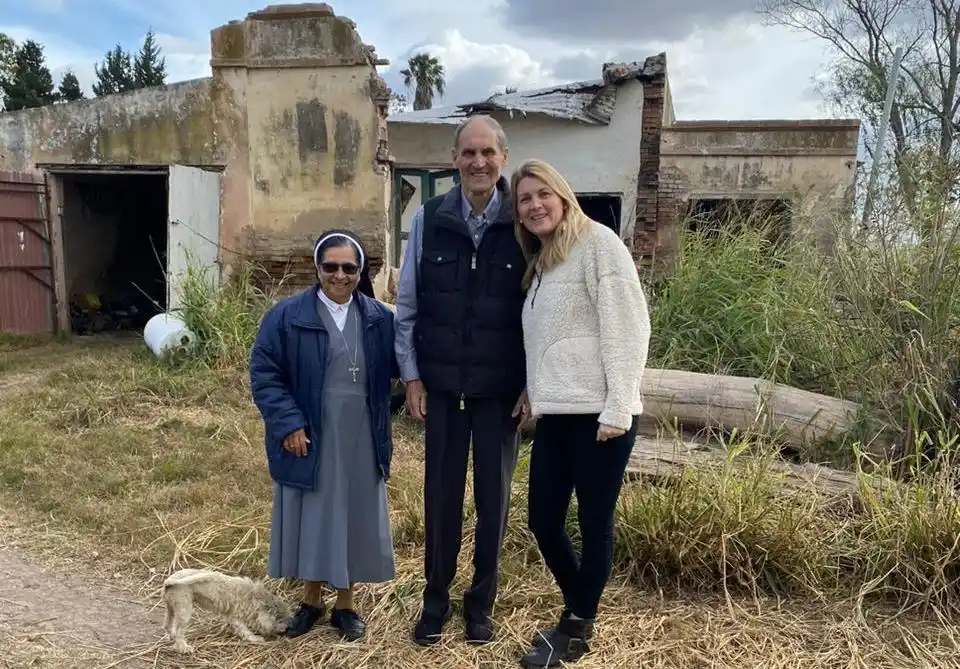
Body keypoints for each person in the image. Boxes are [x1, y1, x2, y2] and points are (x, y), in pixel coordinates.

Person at [394, 114, 530, 645]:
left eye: (488, 153)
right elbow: (407, 307)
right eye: (468, 153)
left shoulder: (522, 221)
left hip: (500, 393)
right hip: (444, 390)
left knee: (494, 502)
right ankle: (435, 601)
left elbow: (540, 310)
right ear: (454, 160)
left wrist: (531, 383)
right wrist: (412, 377)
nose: (478, 163)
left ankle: (481, 605)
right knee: (441, 499)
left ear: (503, 158)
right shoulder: (429, 219)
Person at [511, 159, 651, 668]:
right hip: (558, 413)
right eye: (524, 200)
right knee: (543, 521)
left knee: (594, 521)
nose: (534, 205)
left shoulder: (600, 244)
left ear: (563, 195)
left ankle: (574, 630)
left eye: (542, 194)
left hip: (600, 416)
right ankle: (582, 606)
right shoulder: (546, 260)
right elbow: (548, 338)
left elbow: (628, 326)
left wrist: (619, 404)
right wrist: (533, 388)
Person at [250, 229, 398, 643]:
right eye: (330, 266)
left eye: (349, 268)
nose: (339, 275)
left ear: (360, 271)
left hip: (362, 435)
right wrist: (288, 423)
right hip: (310, 434)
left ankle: (346, 605)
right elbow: (265, 374)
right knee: (313, 517)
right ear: (317, 268)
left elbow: (409, 362)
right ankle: (311, 600)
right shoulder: (287, 316)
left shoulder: (380, 318)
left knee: (353, 515)